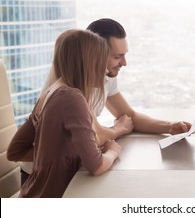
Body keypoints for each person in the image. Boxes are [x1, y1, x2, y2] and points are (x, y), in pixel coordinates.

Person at [18, 18, 192, 185]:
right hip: (42, 176)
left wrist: (169, 126)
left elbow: (128, 115)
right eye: (117, 56)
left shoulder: (105, 74)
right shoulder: (73, 83)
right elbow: (96, 136)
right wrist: (119, 129)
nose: (124, 63)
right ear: (95, 54)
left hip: (70, 168)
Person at [7, 29, 122, 197]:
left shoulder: (50, 93)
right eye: (101, 63)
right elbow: (96, 166)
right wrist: (112, 151)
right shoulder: (73, 98)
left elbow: (15, 151)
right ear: (88, 62)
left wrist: (58, 156)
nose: (105, 71)